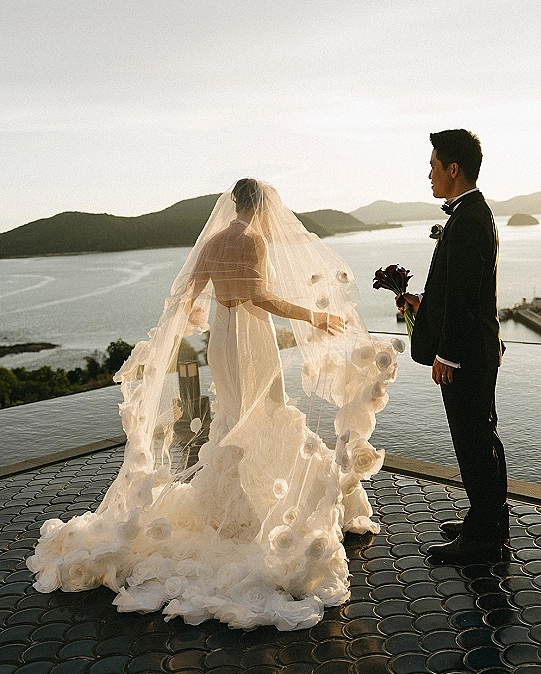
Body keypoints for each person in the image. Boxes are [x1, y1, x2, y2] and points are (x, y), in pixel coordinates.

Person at [28, 179, 403, 630]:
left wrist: (200, 316)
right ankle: (261, 509)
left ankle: (231, 504)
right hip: (250, 336)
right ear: (260, 207)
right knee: (265, 412)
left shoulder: (213, 242)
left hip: (221, 339)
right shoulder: (253, 240)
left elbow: (188, 298)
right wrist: (314, 316)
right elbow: (260, 297)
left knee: (232, 416)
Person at [403, 131, 507, 563]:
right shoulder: (472, 214)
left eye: (432, 165)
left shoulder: (466, 221)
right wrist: (422, 305)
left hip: (466, 355)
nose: (428, 174)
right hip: (478, 348)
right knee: (483, 438)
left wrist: (447, 354)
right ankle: (487, 518)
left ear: (453, 169)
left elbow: (464, 299)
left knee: (473, 442)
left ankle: (482, 539)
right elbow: (457, 289)